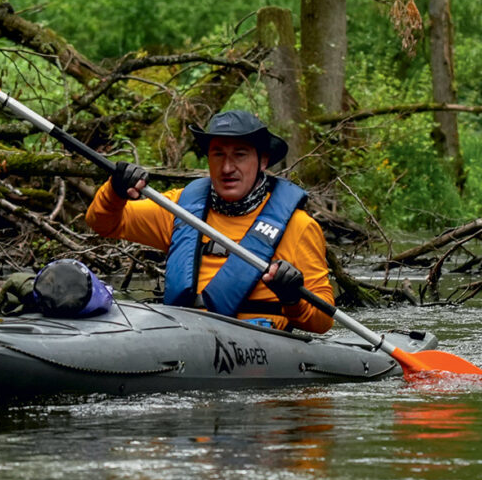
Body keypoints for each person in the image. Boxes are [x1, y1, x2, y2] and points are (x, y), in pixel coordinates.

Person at [85, 110, 334, 333]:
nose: (227, 168)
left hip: (259, 346)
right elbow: (103, 223)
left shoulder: (299, 227)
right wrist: (115, 190)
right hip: (184, 336)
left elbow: (323, 322)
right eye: (218, 154)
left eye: (240, 155)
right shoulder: (179, 208)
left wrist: (293, 299)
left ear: (263, 161)